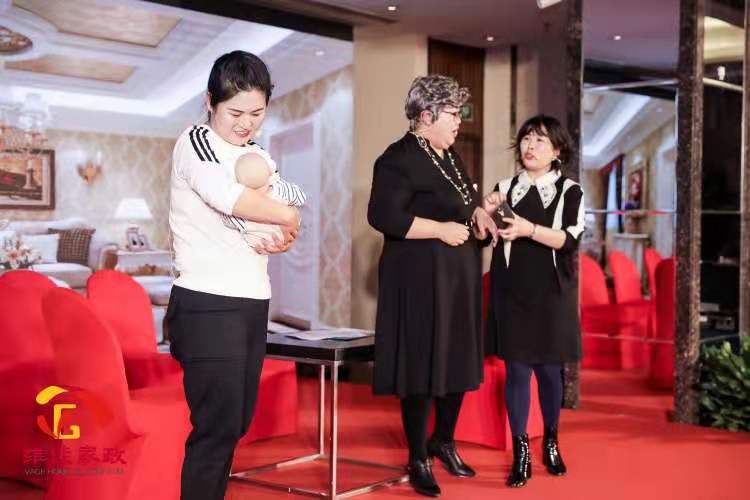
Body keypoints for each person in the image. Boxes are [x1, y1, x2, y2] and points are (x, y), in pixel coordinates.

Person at [166, 50, 300, 500]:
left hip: (251, 300)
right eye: (235, 113)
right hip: (207, 301)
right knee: (216, 427)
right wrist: (287, 217)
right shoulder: (196, 141)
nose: (246, 124)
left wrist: (286, 234)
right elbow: (228, 197)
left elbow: (280, 209)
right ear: (210, 102)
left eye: (257, 113)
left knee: (236, 422)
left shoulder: (258, 153)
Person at [367, 75, 496, 498]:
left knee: (456, 360)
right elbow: (383, 216)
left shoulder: (451, 155)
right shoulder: (397, 158)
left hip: (457, 278)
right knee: (422, 366)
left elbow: (462, 203)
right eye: (453, 114)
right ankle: (418, 456)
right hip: (419, 281)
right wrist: (440, 229)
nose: (459, 121)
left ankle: (444, 440)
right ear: (426, 116)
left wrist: (477, 214)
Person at [483, 114, 584, 488]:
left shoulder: (570, 191)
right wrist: (484, 213)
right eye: (526, 138)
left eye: (540, 140)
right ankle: (521, 450)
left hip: (552, 293)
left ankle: (551, 440)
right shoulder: (504, 187)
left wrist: (529, 229)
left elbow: (570, 239)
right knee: (517, 372)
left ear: (557, 151)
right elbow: (485, 237)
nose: (530, 146)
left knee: (549, 372)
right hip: (511, 291)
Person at [221, 147, 307, 248]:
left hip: (260, 244)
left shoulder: (242, 209)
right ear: (270, 172)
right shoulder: (279, 189)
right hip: (282, 236)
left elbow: (227, 220)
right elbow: (301, 197)